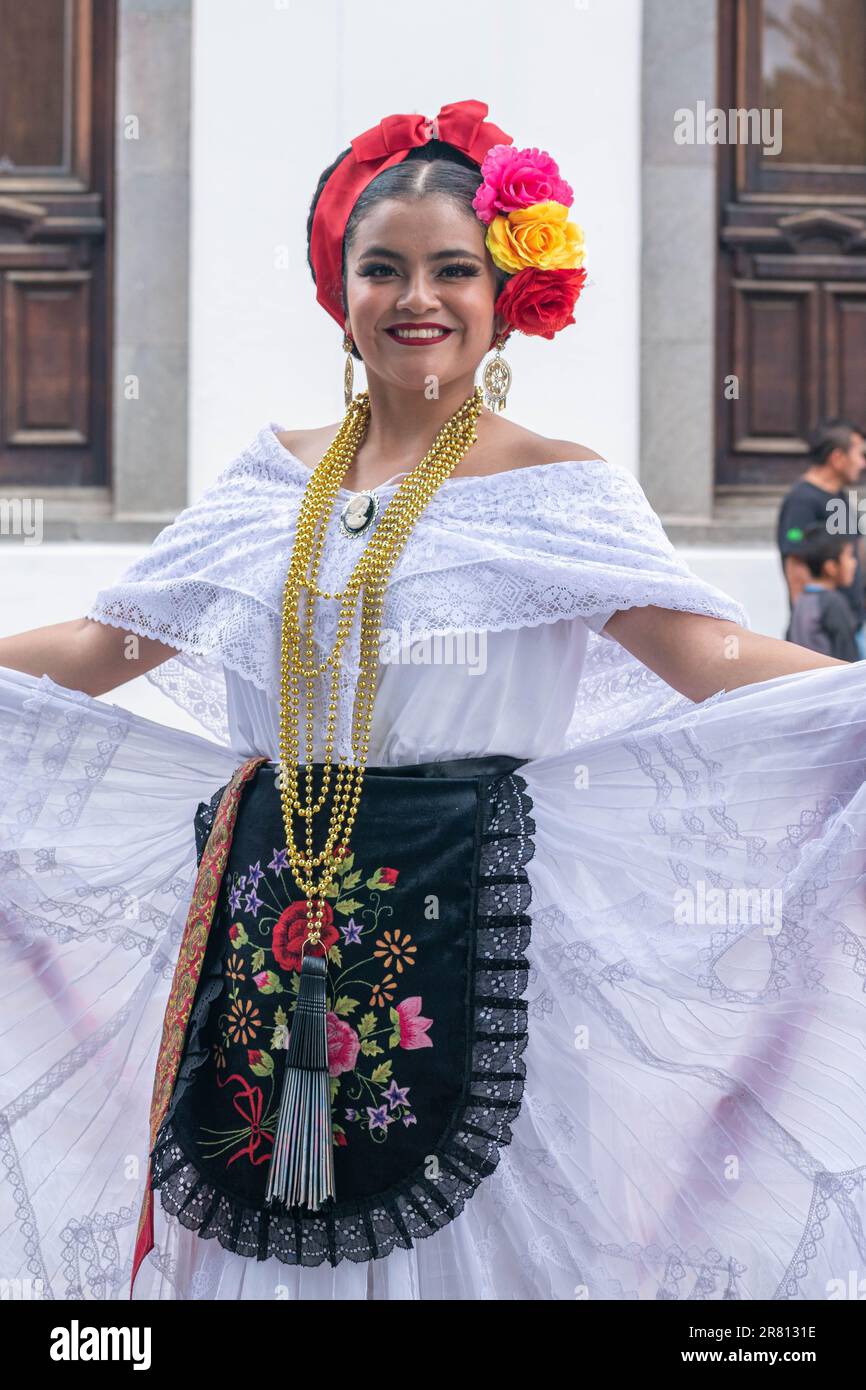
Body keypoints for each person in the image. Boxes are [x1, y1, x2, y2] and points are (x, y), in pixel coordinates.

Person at [1, 100, 866, 1303]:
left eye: (452, 268)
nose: (418, 298)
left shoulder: (557, 489)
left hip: (477, 917)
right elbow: (105, 644)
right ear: (340, 292)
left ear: (506, 285)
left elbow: (706, 654)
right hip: (263, 928)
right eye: (383, 268)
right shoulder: (264, 478)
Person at [777, 418, 866, 653]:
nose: (862, 463)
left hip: (850, 628)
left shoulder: (840, 496)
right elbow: (796, 566)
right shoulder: (802, 501)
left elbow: (856, 548)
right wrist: (807, 636)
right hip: (823, 639)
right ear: (837, 458)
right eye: (860, 454)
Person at [785, 525, 860, 662]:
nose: (854, 563)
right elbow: (848, 656)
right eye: (849, 556)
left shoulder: (802, 600)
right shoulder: (833, 602)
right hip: (832, 680)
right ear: (831, 567)